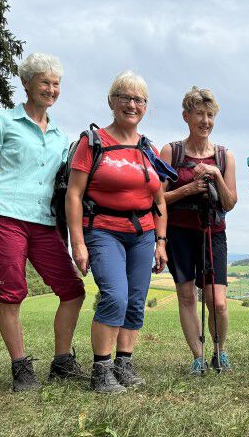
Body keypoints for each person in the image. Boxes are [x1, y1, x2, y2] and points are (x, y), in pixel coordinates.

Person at [0, 53, 86, 392]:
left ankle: (62, 363)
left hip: (44, 224)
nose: (51, 89)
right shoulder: (2, 120)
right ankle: (20, 368)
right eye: (44, 82)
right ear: (27, 83)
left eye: (56, 84)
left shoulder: (61, 135)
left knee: (72, 291)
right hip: (5, 218)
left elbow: (67, 186)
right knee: (13, 294)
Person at [66, 71, 171, 393]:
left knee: (136, 301)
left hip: (142, 233)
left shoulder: (147, 147)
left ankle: (124, 362)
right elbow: (74, 194)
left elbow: (159, 199)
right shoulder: (93, 142)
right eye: (124, 97)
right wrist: (78, 243)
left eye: (139, 99)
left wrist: (161, 242)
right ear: (111, 102)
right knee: (115, 296)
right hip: (103, 231)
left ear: (145, 107)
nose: (131, 104)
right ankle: (102, 368)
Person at [159, 87, 238, 375]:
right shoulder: (171, 151)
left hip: (213, 231)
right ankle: (198, 355)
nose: (205, 121)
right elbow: (157, 199)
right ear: (186, 116)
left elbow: (229, 203)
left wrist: (216, 175)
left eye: (210, 115)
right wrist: (189, 189)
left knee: (216, 300)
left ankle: (220, 350)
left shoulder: (224, 156)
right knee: (187, 296)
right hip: (179, 233)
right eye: (199, 114)